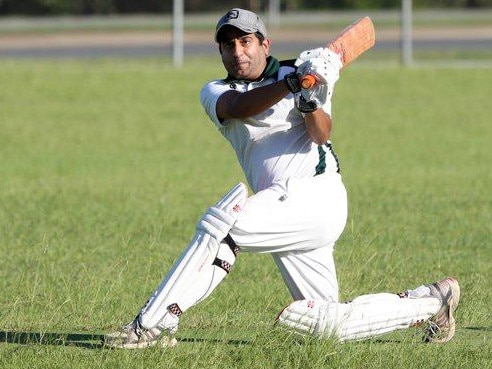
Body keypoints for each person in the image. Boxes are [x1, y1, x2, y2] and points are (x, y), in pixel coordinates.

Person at [105, 8, 460, 349]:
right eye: (228, 45)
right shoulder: (214, 90)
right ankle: (431, 302)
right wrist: (292, 84)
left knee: (223, 228)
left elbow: (321, 134)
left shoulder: (304, 71)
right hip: (284, 207)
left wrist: (310, 99)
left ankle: (151, 325)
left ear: (264, 45)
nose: (237, 52)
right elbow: (240, 108)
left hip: (315, 195)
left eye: (245, 42)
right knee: (327, 325)